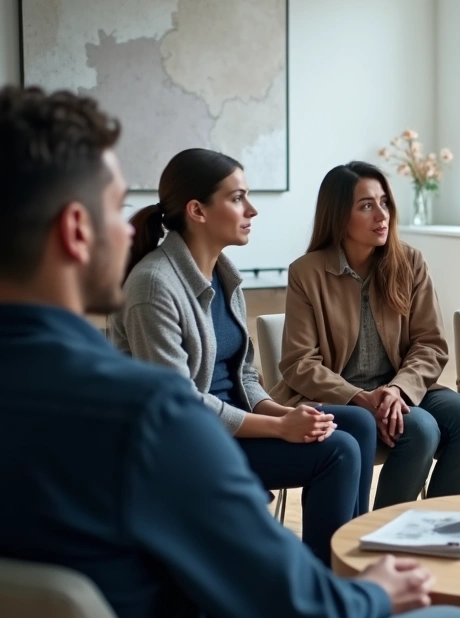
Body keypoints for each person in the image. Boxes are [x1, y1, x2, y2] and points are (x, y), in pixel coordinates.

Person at [0, 85, 460, 618]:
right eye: (116, 208)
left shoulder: (218, 290)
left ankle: (340, 559)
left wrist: (282, 414)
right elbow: (299, 615)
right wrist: (373, 592)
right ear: (76, 231)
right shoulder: (151, 410)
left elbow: (247, 377)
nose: (132, 227)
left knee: (352, 435)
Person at [109, 148, 376, 562]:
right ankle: (323, 588)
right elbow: (178, 404)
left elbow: (245, 374)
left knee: (357, 422)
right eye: (237, 198)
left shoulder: (223, 272)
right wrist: (278, 427)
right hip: (191, 441)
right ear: (197, 210)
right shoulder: (153, 286)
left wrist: (280, 414)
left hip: (232, 422)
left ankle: (349, 566)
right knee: (337, 451)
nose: (251, 209)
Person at [272, 161, 460, 508]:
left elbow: (430, 343)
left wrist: (396, 389)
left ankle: (430, 526)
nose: (382, 215)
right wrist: (360, 397)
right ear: (339, 216)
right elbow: (299, 363)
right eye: (367, 206)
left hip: (400, 387)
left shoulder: (410, 262)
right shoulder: (306, 272)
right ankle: (381, 536)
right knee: (419, 429)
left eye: (385, 202)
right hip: (339, 398)